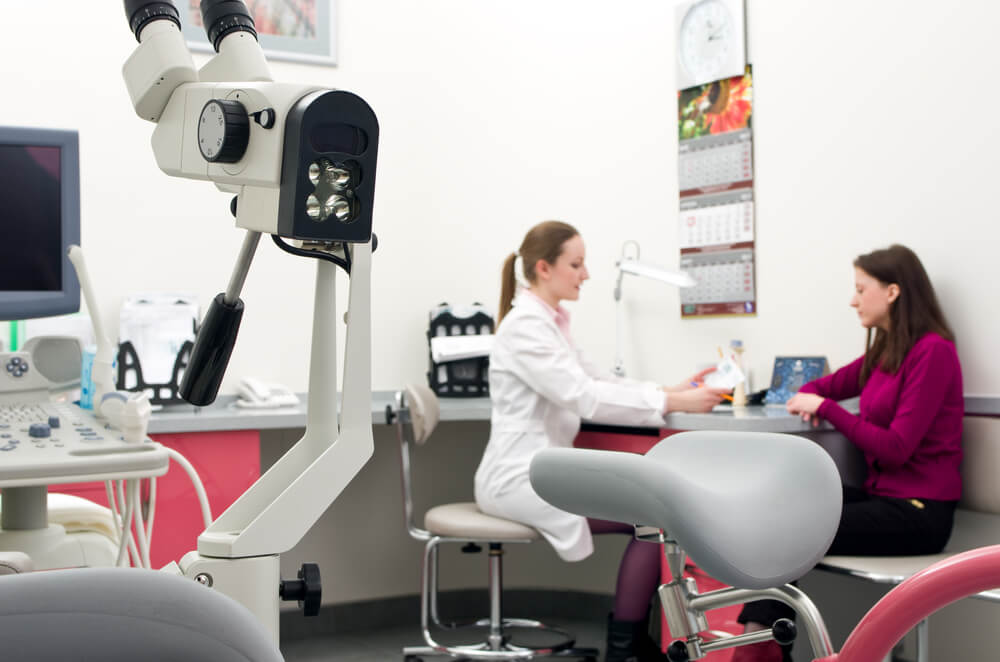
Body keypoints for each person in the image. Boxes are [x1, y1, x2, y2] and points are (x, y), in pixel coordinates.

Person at [473, 220, 728, 662]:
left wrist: (671, 390)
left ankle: (630, 643)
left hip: (543, 470)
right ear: (544, 268)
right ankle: (624, 650)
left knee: (652, 519)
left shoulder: (551, 322)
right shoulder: (524, 327)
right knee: (651, 522)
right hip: (517, 478)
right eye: (576, 263)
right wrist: (669, 398)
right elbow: (583, 397)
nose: (586, 274)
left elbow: (596, 379)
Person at [732, 244, 964, 662]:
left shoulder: (933, 352)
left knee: (789, 529)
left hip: (919, 512)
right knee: (781, 508)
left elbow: (895, 449)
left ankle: (757, 647)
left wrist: (827, 410)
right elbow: (823, 386)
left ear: (892, 292)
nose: (853, 300)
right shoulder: (884, 353)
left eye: (861, 289)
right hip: (885, 501)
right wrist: (814, 396)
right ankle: (760, 643)